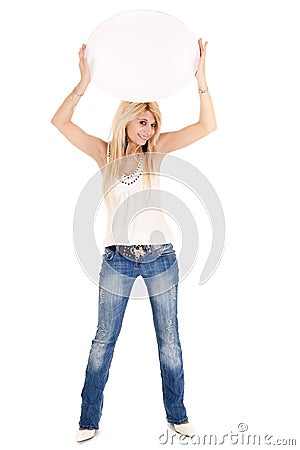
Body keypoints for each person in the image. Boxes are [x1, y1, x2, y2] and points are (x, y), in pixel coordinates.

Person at [51, 38, 216, 442]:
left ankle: (177, 415)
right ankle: (89, 419)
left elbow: (207, 126)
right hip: (117, 259)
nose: (149, 129)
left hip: (160, 257)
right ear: (127, 119)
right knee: (103, 341)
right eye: (143, 121)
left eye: (153, 122)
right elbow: (60, 123)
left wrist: (201, 78)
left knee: (169, 342)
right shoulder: (105, 154)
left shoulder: (155, 152)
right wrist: (83, 81)